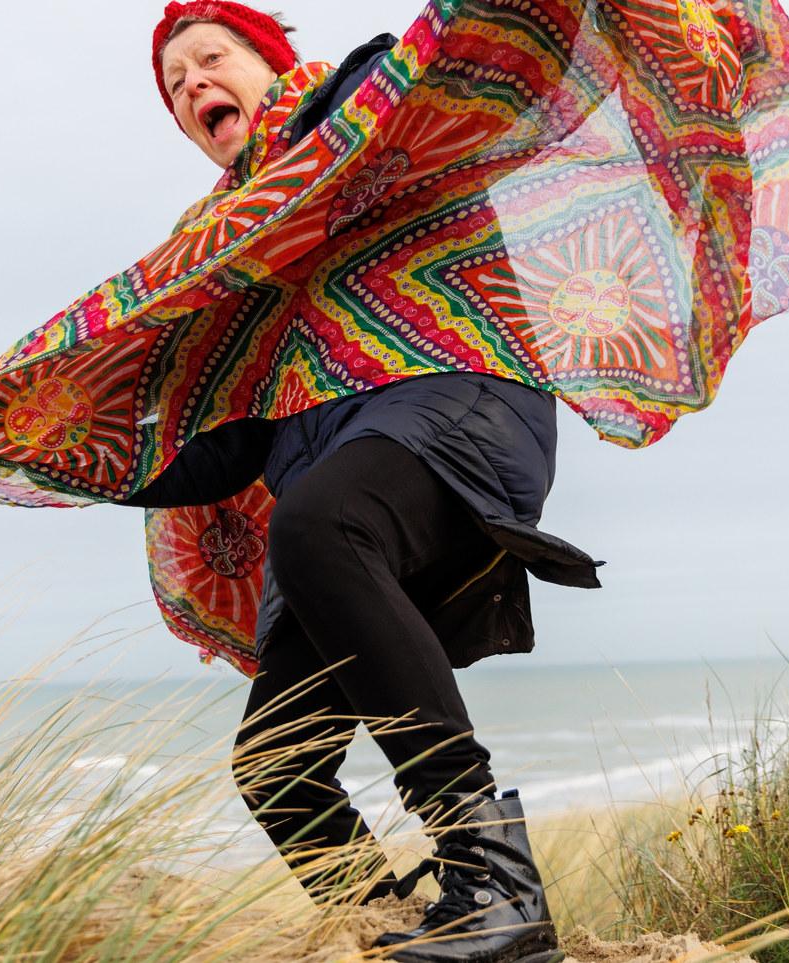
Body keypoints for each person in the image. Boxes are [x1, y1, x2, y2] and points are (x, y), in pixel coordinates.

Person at [142, 4, 601, 961]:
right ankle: (394, 932)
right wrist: (90, 462)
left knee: (315, 526)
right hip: (341, 477)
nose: (193, 85)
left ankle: (495, 887)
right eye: (176, 86)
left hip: (457, 401)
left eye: (210, 58)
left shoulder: (356, 97)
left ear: (271, 62)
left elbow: (415, 94)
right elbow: (231, 446)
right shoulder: (226, 254)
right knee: (277, 764)